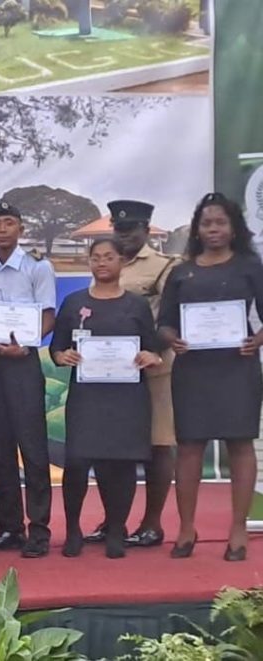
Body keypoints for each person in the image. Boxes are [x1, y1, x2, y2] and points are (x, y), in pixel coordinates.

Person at [158, 193, 263, 562]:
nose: (213, 229)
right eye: (206, 223)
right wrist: (174, 340)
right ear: (197, 230)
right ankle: (186, 529)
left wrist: (257, 340)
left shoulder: (251, 266)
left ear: (233, 228)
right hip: (193, 371)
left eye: (220, 222)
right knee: (188, 448)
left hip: (238, 367)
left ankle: (237, 531)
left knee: (240, 445)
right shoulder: (182, 271)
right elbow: (164, 324)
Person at [50, 239, 164, 559]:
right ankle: (73, 530)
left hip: (127, 396)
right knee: (77, 463)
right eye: (96, 257)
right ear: (89, 262)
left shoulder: (136, 305)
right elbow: (56, 348)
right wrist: (63, 356)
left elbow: (153, 346)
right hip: (87, 396)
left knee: (121, 465)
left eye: (109, 257)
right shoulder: (73, 303)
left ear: (121, 262)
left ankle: (116, 528)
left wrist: (148, 355)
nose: (102, 263)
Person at [84, 200, 178, 549]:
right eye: (119, 229)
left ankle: (152, 523)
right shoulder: (106, 261)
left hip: (152, 370)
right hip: (108, 375)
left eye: (132, 229)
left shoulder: (164, 267)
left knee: (157, 446)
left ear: (147, 229)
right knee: (111, 447)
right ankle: (114, 522)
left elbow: (171, 318)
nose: (124, 236)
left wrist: (156, 351)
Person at [0, 201, 57, 559]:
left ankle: (39, 529)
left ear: (20, 229)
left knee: (33, 449)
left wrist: (26, 344)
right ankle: (8, 527)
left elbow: (48, 315)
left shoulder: (38, 266)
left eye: (10, 223)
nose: (4, 230)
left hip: (23, 363)